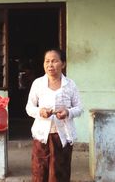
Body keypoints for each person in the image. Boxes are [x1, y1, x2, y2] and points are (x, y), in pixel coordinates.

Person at [26, 49, 83, 182]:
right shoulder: (37, 84)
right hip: (42, 137)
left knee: (60, 174)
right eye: (47, 61)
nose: (50, 65)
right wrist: (40, 112)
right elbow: (29, 108)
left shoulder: (70, 85)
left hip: (63, 136)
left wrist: (68, 112)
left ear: (63, 64)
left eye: (54, 61)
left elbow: (79, 108)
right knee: (39, 173)